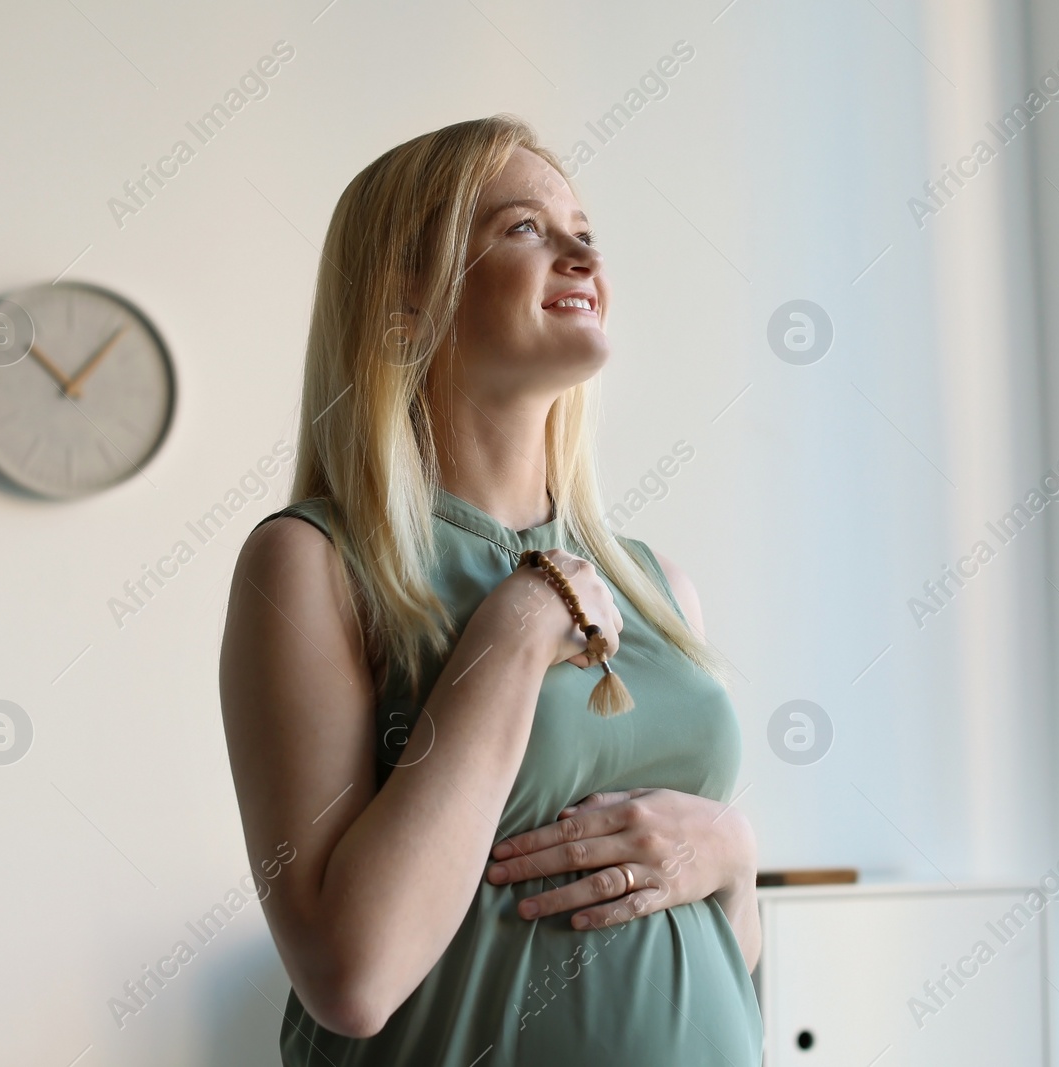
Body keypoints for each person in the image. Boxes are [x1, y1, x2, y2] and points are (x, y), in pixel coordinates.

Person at [218, 114, 762, 1065]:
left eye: (584, 229)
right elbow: (353, 977)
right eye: (522, 227)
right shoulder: (310, 563)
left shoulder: (654, 582)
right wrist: (515, 630)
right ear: (403, 302)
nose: (580, 250)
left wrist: (733, 859)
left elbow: (727, 965)